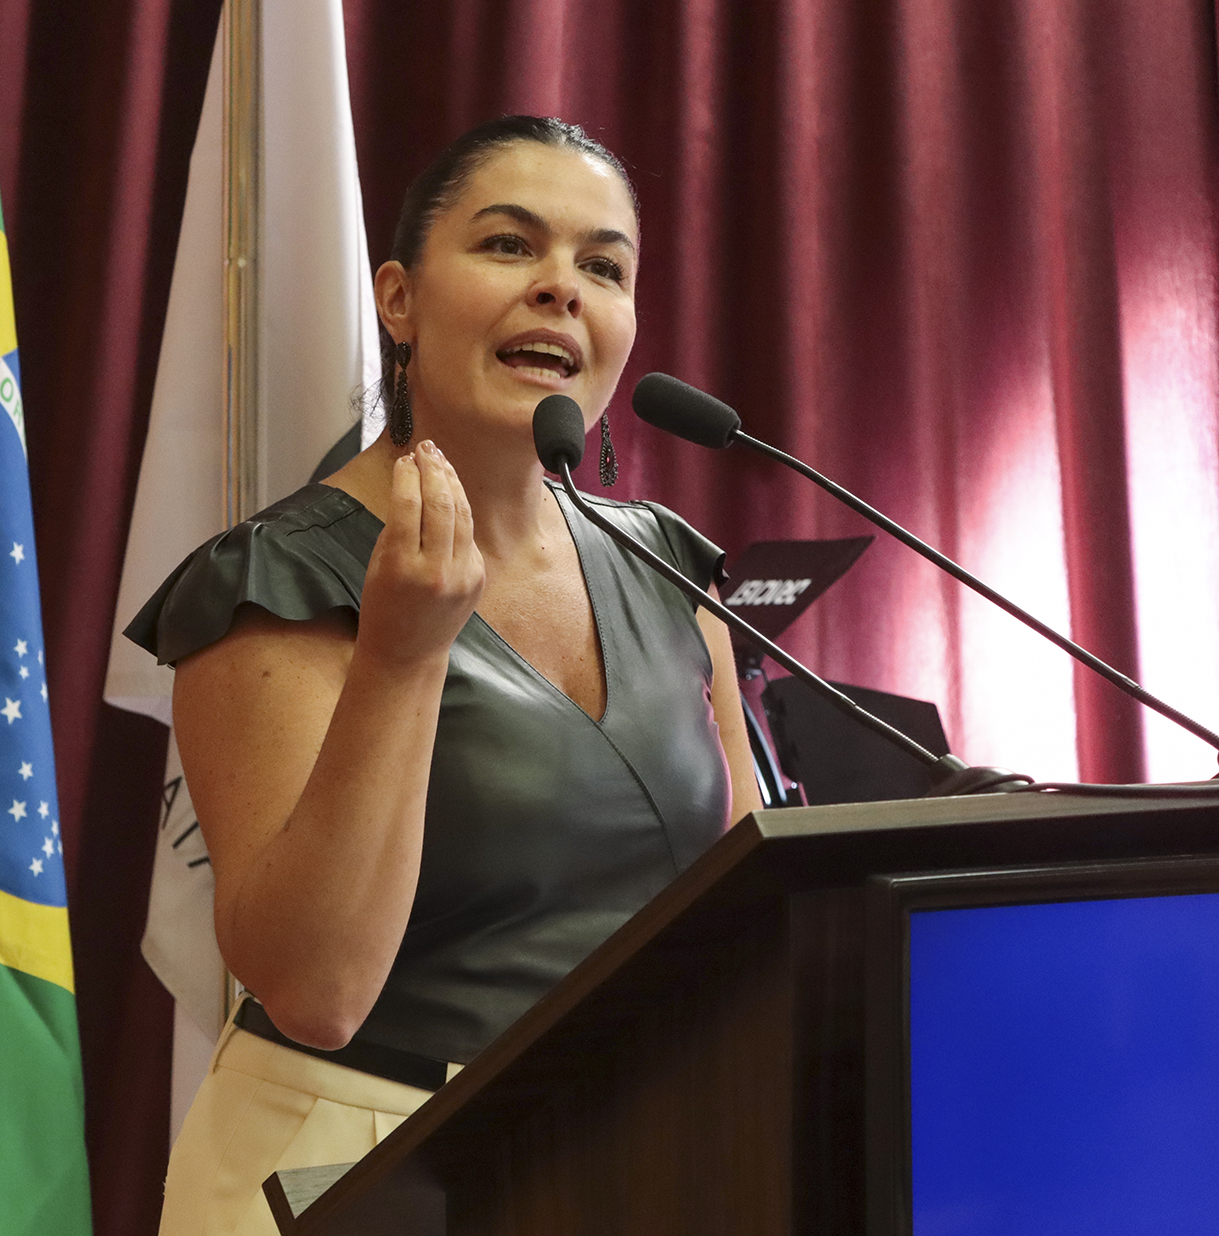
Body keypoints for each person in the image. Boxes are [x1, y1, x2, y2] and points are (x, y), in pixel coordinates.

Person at [125, 115, 765, 1235]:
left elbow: (748, 914)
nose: (562, 288)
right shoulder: (274, 581)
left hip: (634, 1155)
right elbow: (316, 990)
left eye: (603, 266)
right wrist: (405, 653)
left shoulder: (669, 567)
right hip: (359, 1166)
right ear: (399, 300)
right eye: (511, 245)